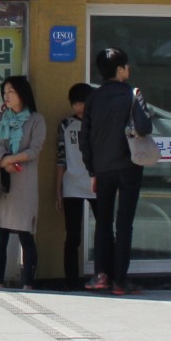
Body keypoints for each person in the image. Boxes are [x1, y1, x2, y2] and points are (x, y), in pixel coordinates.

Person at [81, 46, 153, 296]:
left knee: (103, 222)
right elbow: (145, 126)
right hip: (129, 166)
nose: (129, 69)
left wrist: (92, 170)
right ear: (120, 69)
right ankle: (120, 281)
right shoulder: (133, 93)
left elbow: (85, 138)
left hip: (102, 169)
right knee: (124, 224)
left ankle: (101, 274)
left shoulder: (93, 98)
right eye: (126, 65)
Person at [0, 75, 46, 289]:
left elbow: (35, 150)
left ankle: (28, 284)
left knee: (25, 234)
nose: (7, 96)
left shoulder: (36, 120)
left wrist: (9, 159)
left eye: (11, 91)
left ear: (23, 93)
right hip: (1, 183)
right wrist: (3, 162)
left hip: (24, 184)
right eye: (4, 92)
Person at [58, 83, 96, 285]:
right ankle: (71, 280)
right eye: (75, 103)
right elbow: (60, 158)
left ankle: (104, 275)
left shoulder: (100, 123)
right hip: (72, 184)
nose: (79, 107)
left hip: (96, 183)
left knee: (105, 232)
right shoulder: (66, 125)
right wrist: (58, 190)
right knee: (72, 235)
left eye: (83, 103)